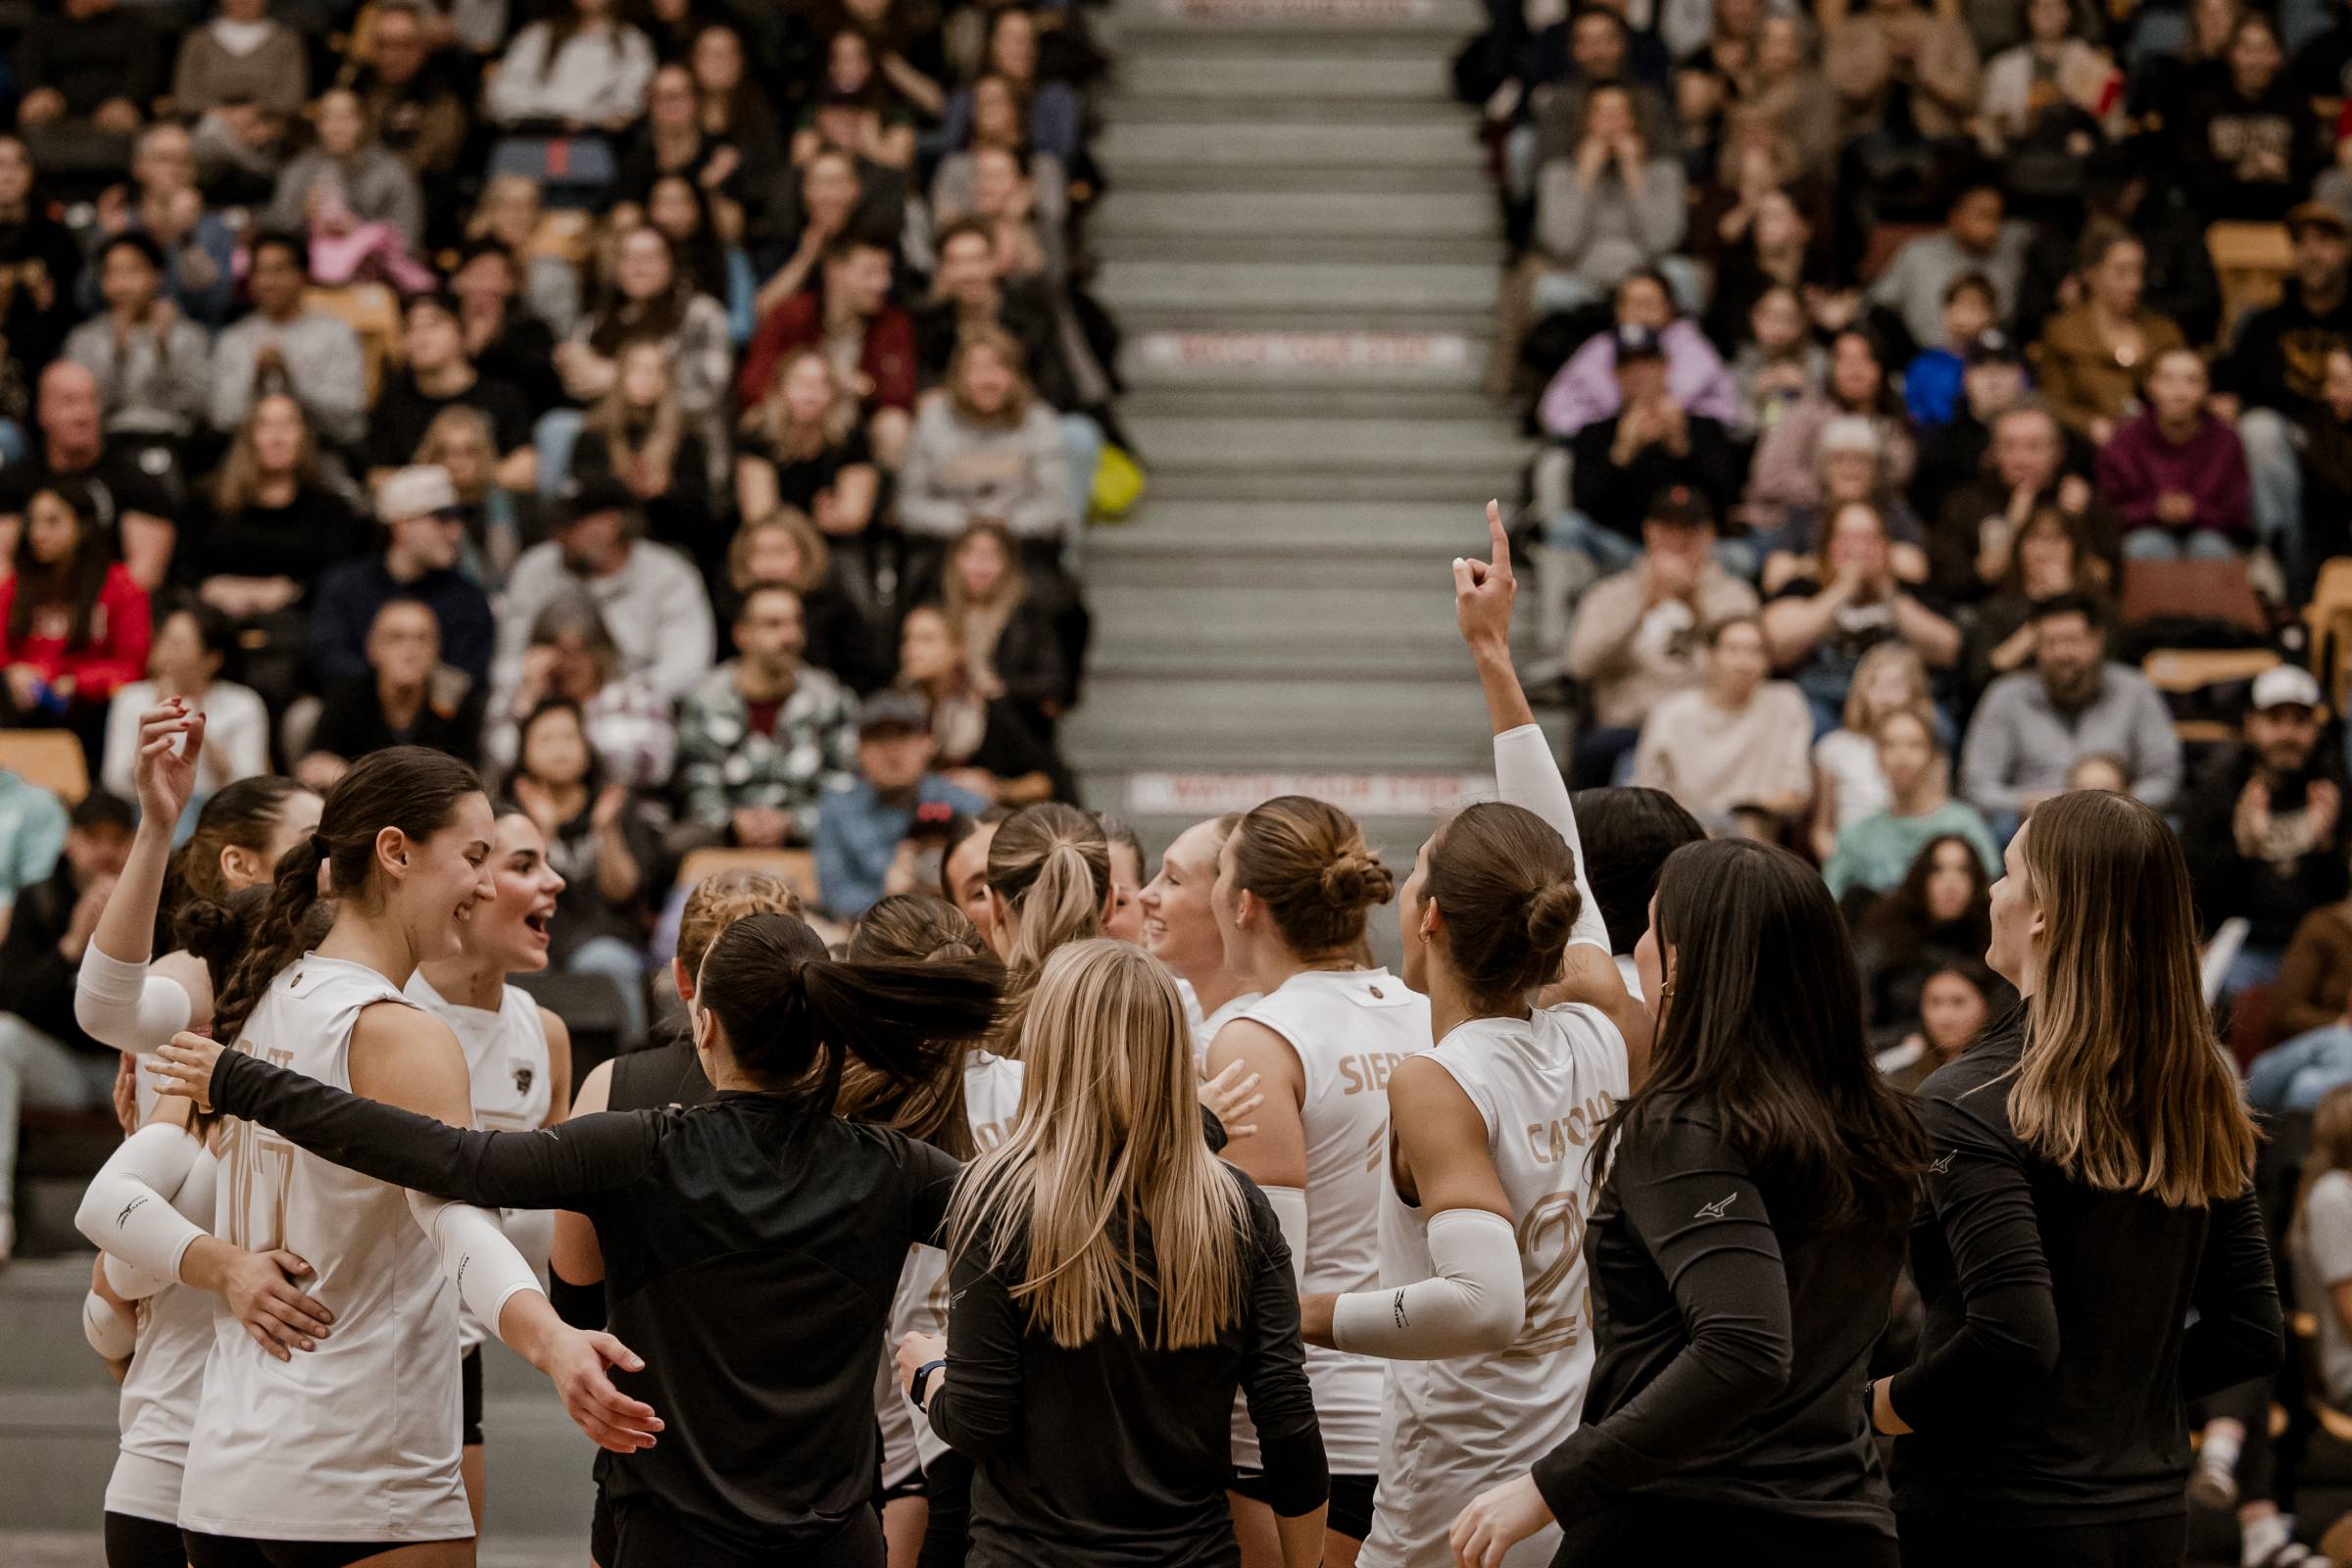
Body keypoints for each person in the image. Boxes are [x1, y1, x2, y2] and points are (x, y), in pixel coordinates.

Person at [154, 905, 1004, 1565]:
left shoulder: (643, 1145)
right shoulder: (896, 1169)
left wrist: (243, 1080)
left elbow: (453, 1159)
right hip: (831, 1547)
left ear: (703, 1025)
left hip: (671, 1541)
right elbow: (1037, 1224)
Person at [1294, 501, 1647, 1568]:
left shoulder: (1438, 1077)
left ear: (1431, 917)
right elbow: (1566, 868)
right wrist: (1491, 657)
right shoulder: (1604, 1026)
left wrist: (1297, 1308)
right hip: (1567, 1479)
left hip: (1458, 1500)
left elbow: (1484, 1304)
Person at [1448, 831, 1927, 1564]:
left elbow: (1746, 1347)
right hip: (1845, 1525)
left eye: (1647, 928)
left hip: (1682, 1523)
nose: (1633, 949)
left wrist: (1548, 1486)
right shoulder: (1874, 1120)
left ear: (1681, 967)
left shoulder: (1683, 1127)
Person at [1874, 789, 2283, 1568]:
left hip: (1995, 1518)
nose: (1992, 893)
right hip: (2150, 1515)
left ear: (2043, 914)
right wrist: (2115, 1400)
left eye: (2006, 872)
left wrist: (1874, 1410)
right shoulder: (2198, 1090)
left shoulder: (1966, 1102)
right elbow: (2249, 1332)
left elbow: (2016, 1336)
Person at [890, 937, 1326, 1568]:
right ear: (1174, 1053)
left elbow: (981, 1424)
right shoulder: (1235, 1206)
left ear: (1049, 1050)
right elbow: (1286, 1417)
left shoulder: (998, 1202)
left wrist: (931, 1377)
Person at [1206, 793, 1428, 1565]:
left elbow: (1258, 1283)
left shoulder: (1260, 1038)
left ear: (1243, 904)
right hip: (1416, 1407)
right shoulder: (1426, 1012)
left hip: (1301, 1431)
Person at [403, 802, 575, 1528]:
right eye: (525, 865)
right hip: (356, 1337)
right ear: (466, 889)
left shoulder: (546, 1034)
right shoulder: (382, 1012)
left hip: (457, 1351)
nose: (556, 882)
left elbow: (560, 1228)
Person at [0, 789, 132, 1259]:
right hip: (69, 1071)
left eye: (118, 840)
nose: (105, 852)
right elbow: (13, 999)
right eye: (92, 838)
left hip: (135, 1067)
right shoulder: (39, 899)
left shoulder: (159, 902)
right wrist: (73, 944)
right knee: (3, 1038)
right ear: (69, 842)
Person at [1561, 484, 1760, 790]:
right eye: (1667, 529)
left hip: (1712, 726)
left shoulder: (1733, 596)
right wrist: (1643, 604)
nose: (1677, 539)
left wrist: (1694, 603)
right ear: (1648, 531)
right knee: (1601, 753)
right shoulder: (1612, 593)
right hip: (1629, 727)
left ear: (1708, 535)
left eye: (1688, 530)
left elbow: (1746, 664)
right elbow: (1580, 663)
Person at [2179, 663, 2349, 1003]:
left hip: (2316, 947)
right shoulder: (2219, 789)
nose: (2288, 734)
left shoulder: (2334, 788)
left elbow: (2339, 899)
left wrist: (2325, 848)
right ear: (2251, 724)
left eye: (2300, 722)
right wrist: (2243, 850)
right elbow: (2196, 902)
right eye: (2275, 721)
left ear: (2315, 728)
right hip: (2243, 943)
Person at [506, 696, 667, 1049]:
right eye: (546, 740)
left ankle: (628, 1063)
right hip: (532, 936)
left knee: (604, 961)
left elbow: (622, 891)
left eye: (568, 738)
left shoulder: (614, 805)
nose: (560, 749)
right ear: (524, 752)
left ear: (586, 746)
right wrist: (542, 832)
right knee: (516, 966)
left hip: (602, 936)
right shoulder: (509, 814)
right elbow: (513, 898)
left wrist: (605, 831)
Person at [1959, 592, 2183, 823]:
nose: (2061, 653)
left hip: (2119, 825)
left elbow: (2164, 777)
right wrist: (2030, 803)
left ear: (2097, 641)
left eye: (2071, 640)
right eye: (2049, 643)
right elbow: (1976, 785)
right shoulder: (2005, 695)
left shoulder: (2136, 691)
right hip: (2032, 825)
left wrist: (2116, 804)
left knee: (2167, 827)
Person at [498, 475, 717, 705]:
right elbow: (507, 663)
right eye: (556, 526)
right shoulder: (535, 568)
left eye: (569, 526)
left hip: (642, 709)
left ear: (611, 524)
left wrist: (610, 702)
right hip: (552, 705)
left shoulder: (669, 575)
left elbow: (686, 668)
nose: (557, 536)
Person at [677, 580, 860, 847]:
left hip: (809, 840)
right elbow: (696, 783)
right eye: (773, 624)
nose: (790, 637)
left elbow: (841, 786)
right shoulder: (706, 699)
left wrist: (794, 823)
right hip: (723, 838)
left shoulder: (830, 698)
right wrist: (731, 822)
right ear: (742, 634)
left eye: (796, 623)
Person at [311, 466, 498, 694]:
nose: (456, 533)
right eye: (442, 520)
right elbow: (329, 662)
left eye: (457, 520)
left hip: (438, 722)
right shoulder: (345, 587)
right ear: (402, 525)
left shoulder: (468, 599)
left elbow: (467, 679)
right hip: (353, 715)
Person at [0, 480, 151, 752]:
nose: (38, 533)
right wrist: (13, 671)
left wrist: (79, 683)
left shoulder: (120, 586)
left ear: (83, 526)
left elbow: (133, 665)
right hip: (21, 706)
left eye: (53, 521)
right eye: (33, 522)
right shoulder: (15, 584)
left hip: (91, 712)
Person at [815, 690, 989, 919]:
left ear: (927, 743)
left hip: (957, 927)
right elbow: (836, 898)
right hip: (872, 939)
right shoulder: (837, 810)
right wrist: (886, 897)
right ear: (860, 750)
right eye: (879, 738)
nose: (892, 750)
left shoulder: (967, 805)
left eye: (903, 735)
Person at [1631, 614, 1813, 826]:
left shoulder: (1785, 702)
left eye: (1755, 651)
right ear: (1710, 656)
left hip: (1754, 837)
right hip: (1686, 832)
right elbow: (1650, 789)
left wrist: (1749, 812)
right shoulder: (1671, 713)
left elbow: (1796, 791)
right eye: (1733, 649)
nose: (1743, 663)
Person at [487, 591, 677, 792]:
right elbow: (498, 762)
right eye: (558, 654)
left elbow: (655, 767)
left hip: (629, 809)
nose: (568, 665)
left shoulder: (635, 690)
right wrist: (525, 701)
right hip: (534, 809)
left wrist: (572, 744)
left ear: (601, 651)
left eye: (577, 653)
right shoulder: (523, 693)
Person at [99, 604, 270, 819]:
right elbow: (115, 783)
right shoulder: (131, 700)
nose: (165, 653)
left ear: (212, 660)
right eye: (163, 640)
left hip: (216, 815)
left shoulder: (243, 704)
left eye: (178, 645)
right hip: (143, 809)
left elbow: (248, 788)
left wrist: (199, 726)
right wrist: (157, 735)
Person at [897, 603, 1070, 806]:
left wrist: (996, 788)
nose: (912, 649)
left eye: (927, 640)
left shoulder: (986, 710)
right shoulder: (891, 711)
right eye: (907, 639)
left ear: (957, 649)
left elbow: (1047, 782)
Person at [1822, 708, 2000, 904]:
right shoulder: (1856, 836)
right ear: (1878, 757)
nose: (1902, 756)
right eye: (1890, 745)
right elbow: (1831, 900)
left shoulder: (1963, 825)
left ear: (1933, 755)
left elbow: (1989, 894)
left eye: (1914, 745)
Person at [205, 228, 363, 451]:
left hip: (319, 451)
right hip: (247, 456)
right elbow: (221, 418)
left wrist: (293, 382)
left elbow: (350, 420)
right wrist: (256, 381)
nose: (268, 282)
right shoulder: (234, 339)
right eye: (259, 272)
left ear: (303, 274)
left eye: (278, 270)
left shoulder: (335, 335)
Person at [367, 291, 537, 492]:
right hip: (425, 515)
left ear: (461, 331)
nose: (420, 337)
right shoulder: (393, 403)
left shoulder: (503, 396)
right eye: (409, 328)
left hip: (493, 510)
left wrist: (469, 481)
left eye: (433, 325)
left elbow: (528, 468)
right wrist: (446, 482)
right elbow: (376, 477)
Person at [302, 598, 487, 783]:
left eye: (422, 639)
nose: (411, 650)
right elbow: (317, 764)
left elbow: (468, 778)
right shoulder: (348, 693)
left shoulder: (458, 697)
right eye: (396, 638)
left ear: (437, 649)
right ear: (372, 647)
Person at [2096, 347, 2252, 561]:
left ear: (2207, 389)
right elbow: (2107, 513)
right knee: (2147, 546)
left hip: (2210, 536)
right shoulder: (2124, 441)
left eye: (2191, 381)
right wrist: (2154, 509)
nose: (2179, 392)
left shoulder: (2225, 441)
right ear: (2151, 386)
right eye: (2168, 380)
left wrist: (2195, 510)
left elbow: (2238, 514)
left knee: (2209, 548)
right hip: (2142, 534)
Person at [1854, 833, 2002, 1041]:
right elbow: (1859, 1015)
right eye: (1937, 871)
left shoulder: (1993, 938)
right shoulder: (1887, 935)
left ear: (1975, 881)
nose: (1950, 883)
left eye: (1963, 871)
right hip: (1893, 1054)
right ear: (1921, 878)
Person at [1140, 814, 1259, 1062]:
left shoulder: (1241, 1045)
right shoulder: (1183, 1005)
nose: (1145, 894)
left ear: (1237, 905)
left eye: (1173, 880)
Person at [1808, 641, 1940, 862]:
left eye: (1895, 686)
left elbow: (1937, 813)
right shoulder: (1834, 747)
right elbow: (1822, 830)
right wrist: (1839, 861)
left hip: (1911, 858)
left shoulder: (1929, 748)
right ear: (1861, 691)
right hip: (1852, 857)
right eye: (1875, 685)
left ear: (1914, 692)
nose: (1885, 697)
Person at [1868, 181, 2032, 354]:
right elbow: (1878, 304)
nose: (1992, 227)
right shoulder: (1918, 254)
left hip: (1985, 363)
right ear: (1954, 217)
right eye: (1983, 216)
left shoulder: (2010, 254)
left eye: (1998, 217)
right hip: (1920, 357)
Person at [484, 0, 659, 131]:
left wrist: (589, 120)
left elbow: (627, 107)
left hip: (598, 143)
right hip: (534, 135)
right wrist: (557, 118)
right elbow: (504, 95)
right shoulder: (538, 35)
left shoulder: (632, 42)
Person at [1872, 959, 1997, 1093]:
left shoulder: (2000, 1068)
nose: (1944, 1017)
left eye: (1958, 1002)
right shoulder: (1903, 1066)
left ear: (1986, 1006)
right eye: (1934, 1002)